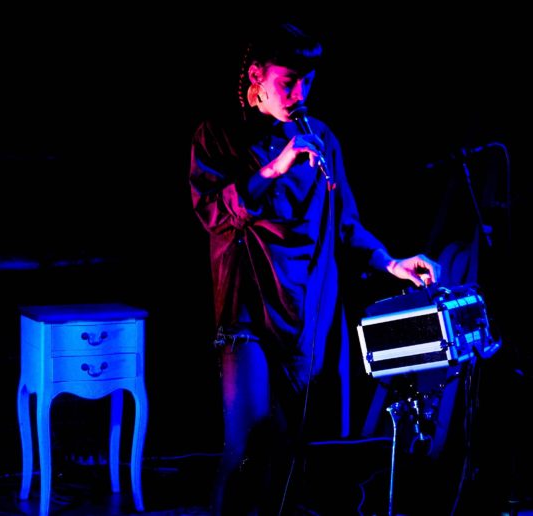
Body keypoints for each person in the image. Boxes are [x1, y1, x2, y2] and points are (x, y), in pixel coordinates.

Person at [188, 22, 442, 515]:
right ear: (257, 76)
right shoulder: (218, 135)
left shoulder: (321, 137)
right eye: (288, 82)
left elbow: (345, 224)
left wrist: (391, 262)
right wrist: (274, 168)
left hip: (306, 312)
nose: (300, 94)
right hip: (249, 307)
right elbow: (213, 213)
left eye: (308, 82)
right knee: (248, 443)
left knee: (288, 452)